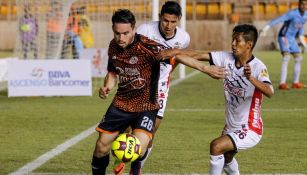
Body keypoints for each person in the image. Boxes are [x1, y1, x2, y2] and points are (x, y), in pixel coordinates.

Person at [92, 9, 225, 175]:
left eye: (125, 33)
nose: (121, 38)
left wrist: (204, 68)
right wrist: (107, 87)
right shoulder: (113, 46)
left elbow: (177, 56)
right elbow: (112, 72)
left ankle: (131, 166)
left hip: (146, 105)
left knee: (138, 149)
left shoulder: (148, 46)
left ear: (134, 29)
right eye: (117, 33)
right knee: (101, 147)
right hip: (121, 104)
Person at [160, 24, 274, 174]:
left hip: (250, 128)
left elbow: (270, 91)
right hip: (231, 125)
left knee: (216, 146)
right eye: (232, 40)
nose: (233, 44)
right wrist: (176, 51)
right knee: (226, 158)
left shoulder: (258, 67)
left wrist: (251, 78)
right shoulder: (225, 58)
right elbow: (198, 54)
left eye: (237, 41)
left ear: (249, 45)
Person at [260, 0, 307, 90]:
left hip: (292, 39)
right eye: (302, 4)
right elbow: (278, 20)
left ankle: (295, 82)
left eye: (306, 4)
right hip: (284, 36)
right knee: (286, 57)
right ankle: (282, 83)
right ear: (299, 5)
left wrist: (304, 42)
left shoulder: (305, 15)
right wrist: (265, 28)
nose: (304, 6)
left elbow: (300, 30)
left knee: (298, 58)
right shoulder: (292, 13)